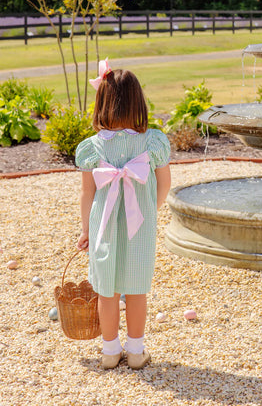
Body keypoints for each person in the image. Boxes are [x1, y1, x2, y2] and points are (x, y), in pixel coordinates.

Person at [75, 59, 171, 370]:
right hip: (139, 227)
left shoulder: (92, 147)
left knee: (107, 290)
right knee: (136, 288)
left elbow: (87, 193)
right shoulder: (152, 141)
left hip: (103, 228)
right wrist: (149, 212)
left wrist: (85, 230)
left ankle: (109, 351)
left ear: (101, 102)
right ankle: (135, 351)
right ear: (138, 102)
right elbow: (165, 183)